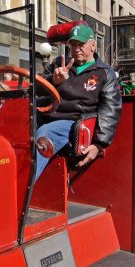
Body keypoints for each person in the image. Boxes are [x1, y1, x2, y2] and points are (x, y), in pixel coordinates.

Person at [35, 25, 122, 181]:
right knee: (20, 124)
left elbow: (111, 108)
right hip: (48, 115)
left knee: (45, 134)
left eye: (81, 44)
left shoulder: (104, 72)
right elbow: (36, 88)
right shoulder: (59, 64)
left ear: (93, 45)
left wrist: (99, 144)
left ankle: (17, 196)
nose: (76, 49)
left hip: (75, 122)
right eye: (73, 44)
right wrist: (53, 80)